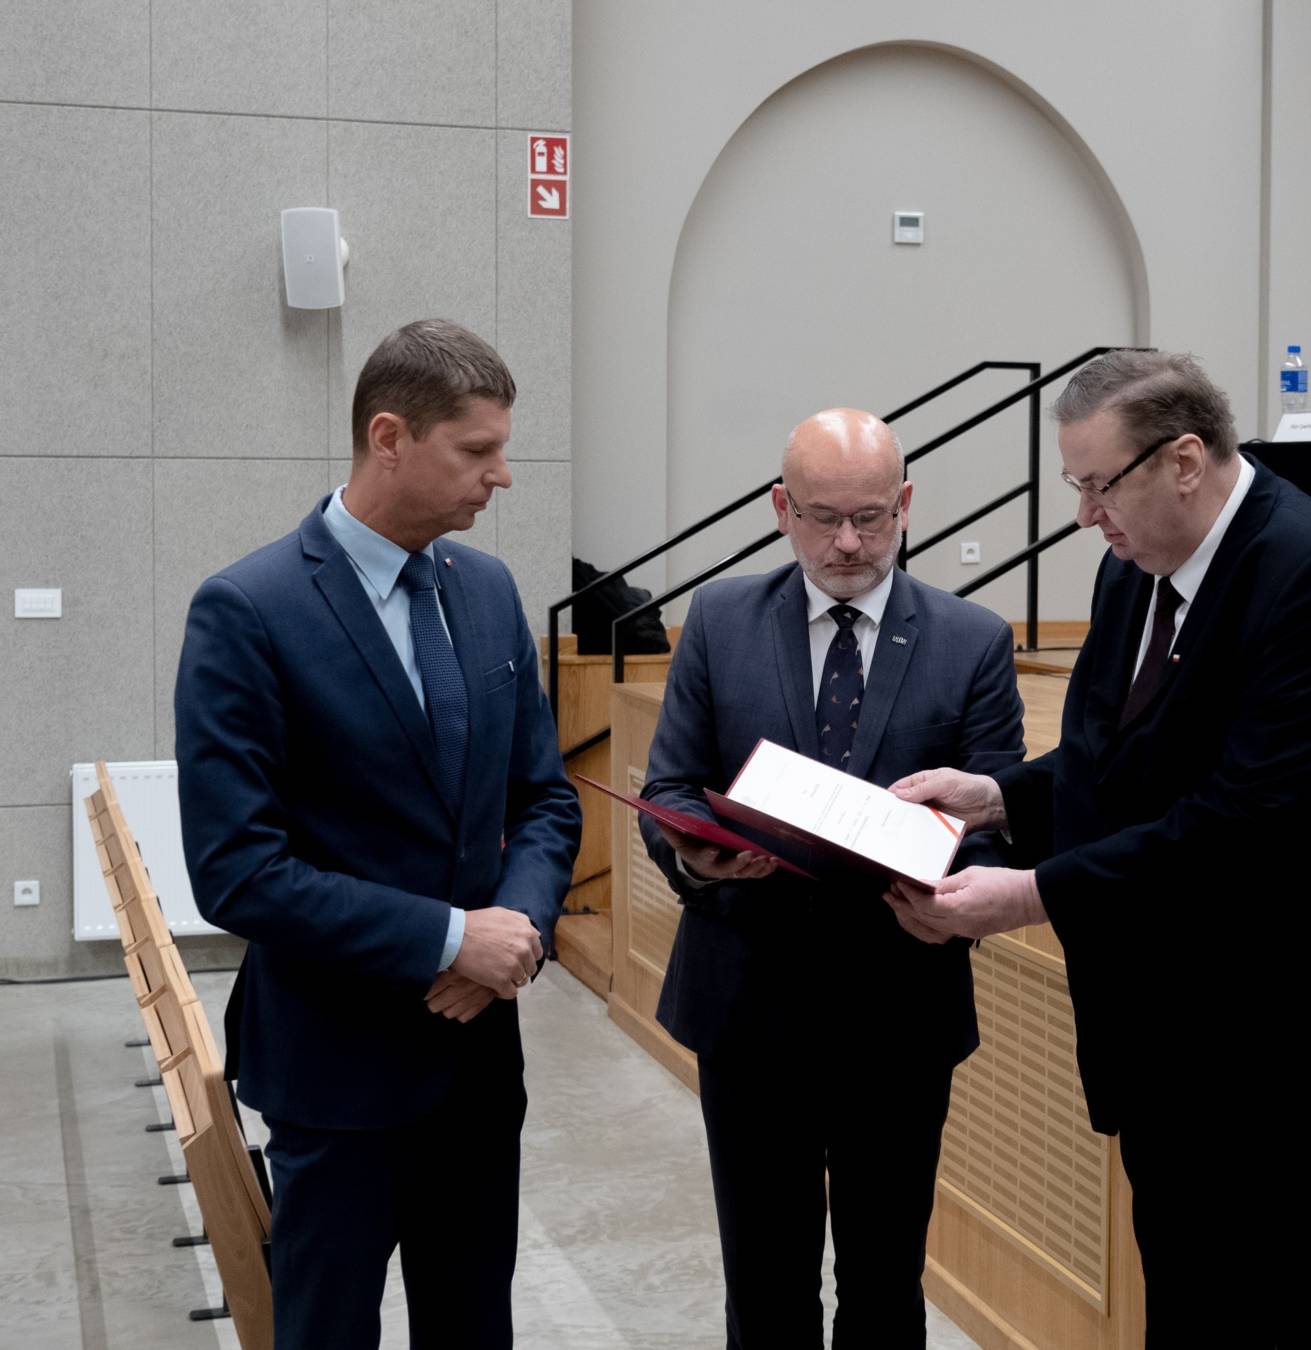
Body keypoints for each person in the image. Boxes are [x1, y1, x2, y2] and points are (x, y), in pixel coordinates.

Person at [886, 351, 1311, 1346]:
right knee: (1184, 1295)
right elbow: (1101, 756)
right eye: (1074, 487)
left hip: (1264, 1050)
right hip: (1156, 1037)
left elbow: (1249, 822)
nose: (1085, 514)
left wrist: (1031, 893)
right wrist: (996, 795)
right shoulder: (1134, 566)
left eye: (1096, 484)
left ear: (1180, 461)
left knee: (1268, 1302)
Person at [175, 319, 581, 1348]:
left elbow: (543, 800)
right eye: (477, 452)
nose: (502, 477)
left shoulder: (485, 592)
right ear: (389, 436)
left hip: (478, 1067)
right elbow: (239, 872)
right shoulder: (249, 610)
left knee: (471, 1326)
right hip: (336, 1072)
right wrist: (451, 940)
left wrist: (513, 937)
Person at [636, 408, 1025, 1347]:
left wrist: (946, 882)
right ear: (780, 508)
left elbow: (998, 821)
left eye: (870, 517)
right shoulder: (723, 621)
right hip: (748, 997)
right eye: (820, 517)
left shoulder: (970, 638)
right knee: (765, 1285)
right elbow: (667, 789)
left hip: (898, 1004)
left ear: (904, 505)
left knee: (886, 1286)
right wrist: (697, 854)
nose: (848, 542)